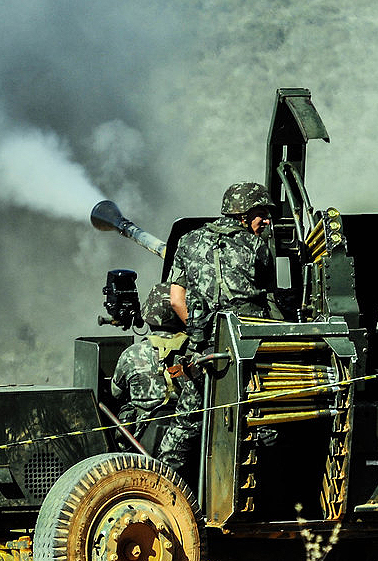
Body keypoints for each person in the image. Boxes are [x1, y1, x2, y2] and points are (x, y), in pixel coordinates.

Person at [167, 182, 282, 352]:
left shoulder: (187, 240)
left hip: (204, 346)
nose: (266, 221)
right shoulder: (256, 244)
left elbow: (176, 300)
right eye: (261, 215)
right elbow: (269, 297)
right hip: (248, 341)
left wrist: (200, 331)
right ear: (243, 215)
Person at [110, 283, 201, 475]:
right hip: (188, 446)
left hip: (139, 444)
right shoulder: (195, 354)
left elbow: (115, 392)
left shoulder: (131, 354)